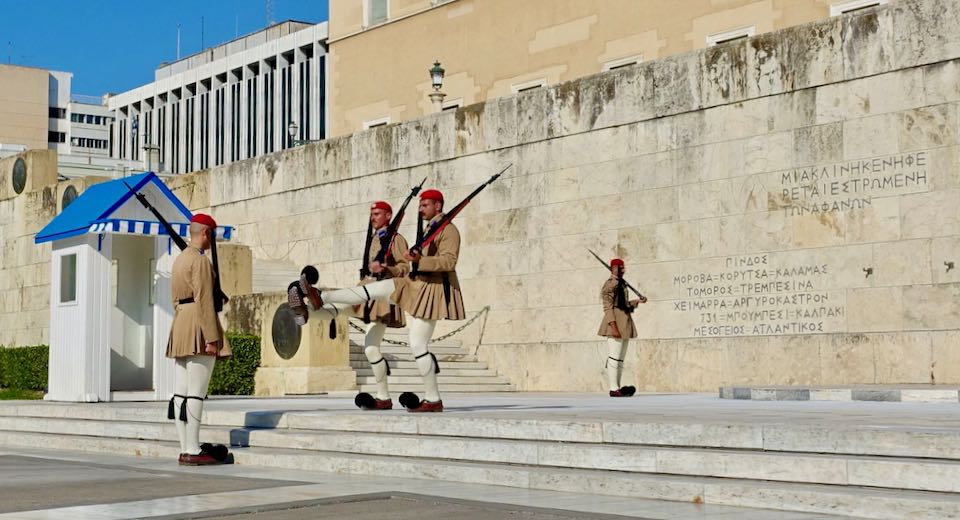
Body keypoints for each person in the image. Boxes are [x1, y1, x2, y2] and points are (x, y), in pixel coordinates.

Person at [167, 213, 232, 465]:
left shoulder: (180, 260)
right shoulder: (201, 262)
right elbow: (205, 299)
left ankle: (185, 447)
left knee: (180, 393)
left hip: (181, 321)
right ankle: (194, 449)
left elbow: (174, 299)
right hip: (198, 322)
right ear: (206, 233)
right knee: (196, 392)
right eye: (211, 235)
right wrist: (212, 336)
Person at [391, 188, 464, 413]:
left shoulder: (448, 230)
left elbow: (449, 262)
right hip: (421, 286)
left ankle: (433, 399)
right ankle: (326, 301)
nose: (420, 209)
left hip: (435, 289)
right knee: (417, 343)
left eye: (425, 205)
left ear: (438, 206)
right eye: (420, 205)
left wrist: (420, 260)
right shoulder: (430, 230)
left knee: (417, 344)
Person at [354, 200, 410, 410]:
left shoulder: (395, 239)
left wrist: (387, 269)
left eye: (377, 214)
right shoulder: (375, 238)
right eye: (372, 214)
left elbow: (404, 269)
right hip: (368, 291)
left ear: (388, 216)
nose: (373, 218)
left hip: (382, 295)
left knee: (370, 348)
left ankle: (383, 396)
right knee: (370, 348)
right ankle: (383, 396)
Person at [598, 258, 646, 397]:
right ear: (614, 268)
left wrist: (637, 301)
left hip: (624, 323)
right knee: (614, 356)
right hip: (615, 323)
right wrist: (613, 326)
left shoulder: (620, 284)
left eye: (623, 267)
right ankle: (613, 388)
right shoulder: (610, 285)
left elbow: (623, 304)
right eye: (620, 268)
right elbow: (608, 307)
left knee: (620, 358)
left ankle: (617, 387)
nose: (623, 270)